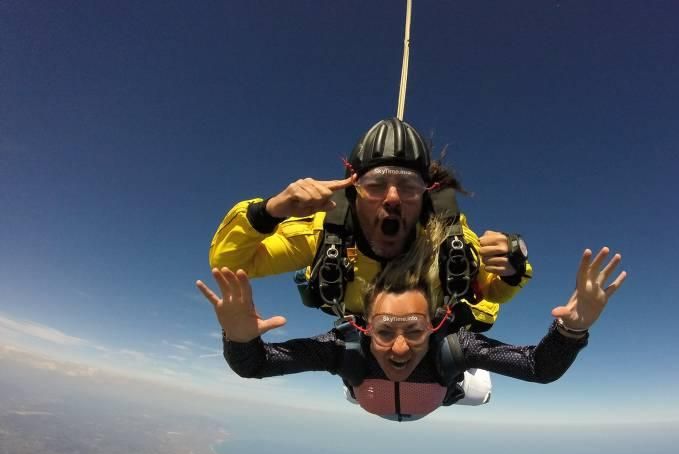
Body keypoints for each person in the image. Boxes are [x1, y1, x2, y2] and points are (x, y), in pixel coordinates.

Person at [197, 217, 627, 421]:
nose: (400, 347)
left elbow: (254, 365)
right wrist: (572, 330)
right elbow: (540, 367)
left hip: (392, 390)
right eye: (385, 331)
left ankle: (450, 390)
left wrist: (574, 327)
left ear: (435, 325)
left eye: (414, 331)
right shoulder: (353, 348)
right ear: (365, 325)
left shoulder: (354, 352)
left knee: (478, 391)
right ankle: (438, 391)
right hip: (393, 391)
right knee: (474, 387)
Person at [208, 117, 532, 331]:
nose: (392, 198)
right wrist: (270, 211)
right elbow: (229, 263)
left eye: (408, 186)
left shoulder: (443, 239)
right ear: (354, 191)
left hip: (425, 333)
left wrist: (511, 266)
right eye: (376, 184)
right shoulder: (329, 236)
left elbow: (490, 291)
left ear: (424, 195)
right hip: (366, 333)